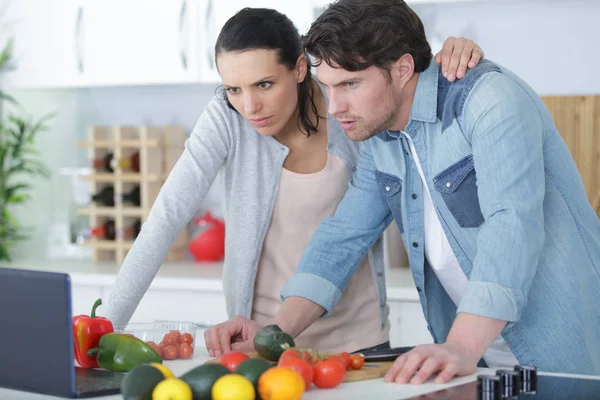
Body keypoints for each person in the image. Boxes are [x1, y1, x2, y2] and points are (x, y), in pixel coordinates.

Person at [207, 0, 600, 385]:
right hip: (478, 364)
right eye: (327, 87)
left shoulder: (488, 101)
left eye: (350, 84)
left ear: (403, 68)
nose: (335, 106)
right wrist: (273, 333)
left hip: (564, 357)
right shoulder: (384, 141)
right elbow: (341, 237)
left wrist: (460, 345)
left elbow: (511, 225)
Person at [103, 7, 484, 356]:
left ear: (300, 68)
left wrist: (448, 57)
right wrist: (104, 328)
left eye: (264, 84)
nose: (249, 106)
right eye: (234, 89)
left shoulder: (350, 111)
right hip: (260, 340)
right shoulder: (226, 118)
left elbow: (405, 87)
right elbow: (168, 214)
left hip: (357, 343)